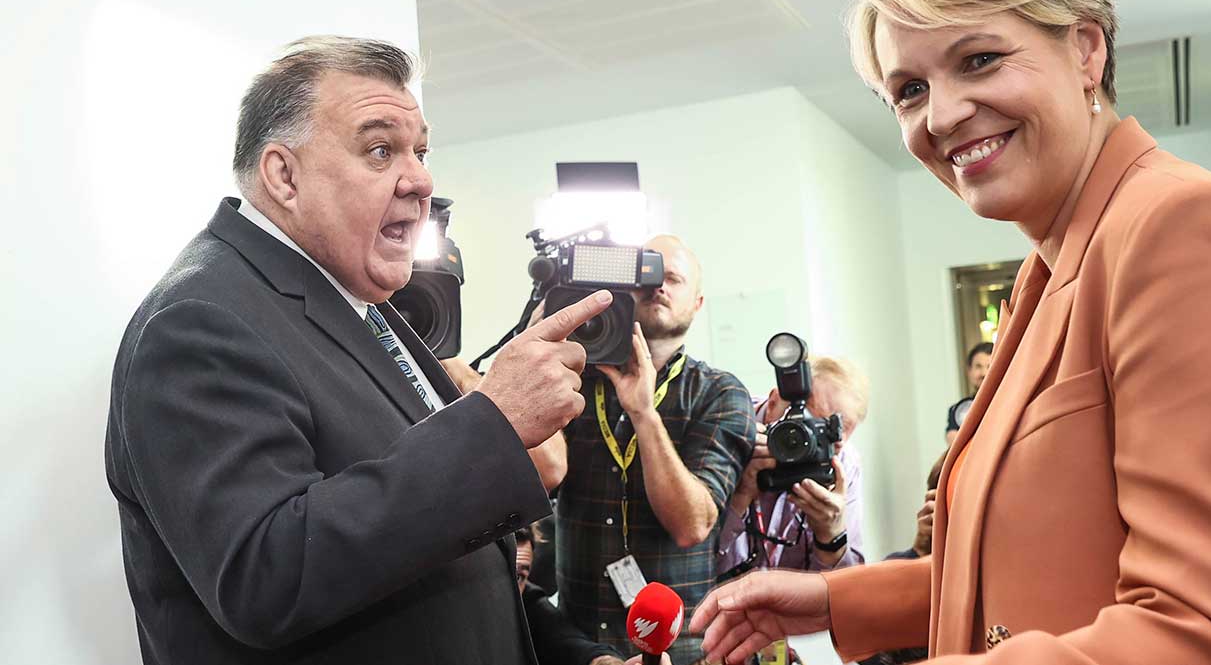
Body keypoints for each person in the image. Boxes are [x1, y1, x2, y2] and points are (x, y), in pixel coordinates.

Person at [692, 0, 1211, 665]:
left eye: (979, 60)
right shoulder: (1053, 267)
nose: (944, 113)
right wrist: (835, 599)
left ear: (1087, 49)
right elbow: (1047, 563)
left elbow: (1204, 633)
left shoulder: (1183, 230)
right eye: (909, 91)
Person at [105, 36, 614, 665]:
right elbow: (266, 576)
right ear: (283, 176)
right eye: (381, 151)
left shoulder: (358, 299)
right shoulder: (199, 320)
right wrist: (493, 426)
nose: (422, 179)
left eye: (420, 151)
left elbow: (440, 559)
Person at [552, 234, 756, 665]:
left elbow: (692, 525)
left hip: (680, 653)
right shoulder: (574, 380)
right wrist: (545, 349)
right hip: (582, 648)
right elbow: (534, 481)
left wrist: (644, 413)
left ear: (697, 304)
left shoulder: (719, 393)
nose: (658, 284)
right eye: (646, 273)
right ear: (623, 288)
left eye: (674, 278)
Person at [715, 355, 869, 578]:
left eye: (830, 432)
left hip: (795, 610)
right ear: (773, 401)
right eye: (804, 426)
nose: (810, 443)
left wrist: (831, 536)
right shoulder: (729, 427)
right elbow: (687, 561)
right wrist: (738, 498)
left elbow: (850, 591)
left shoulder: (843, 463)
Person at [514, 527, 625, 665]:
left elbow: (570, 643)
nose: (508, 588)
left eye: (518, 576)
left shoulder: (528, 603)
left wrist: (604, 661)